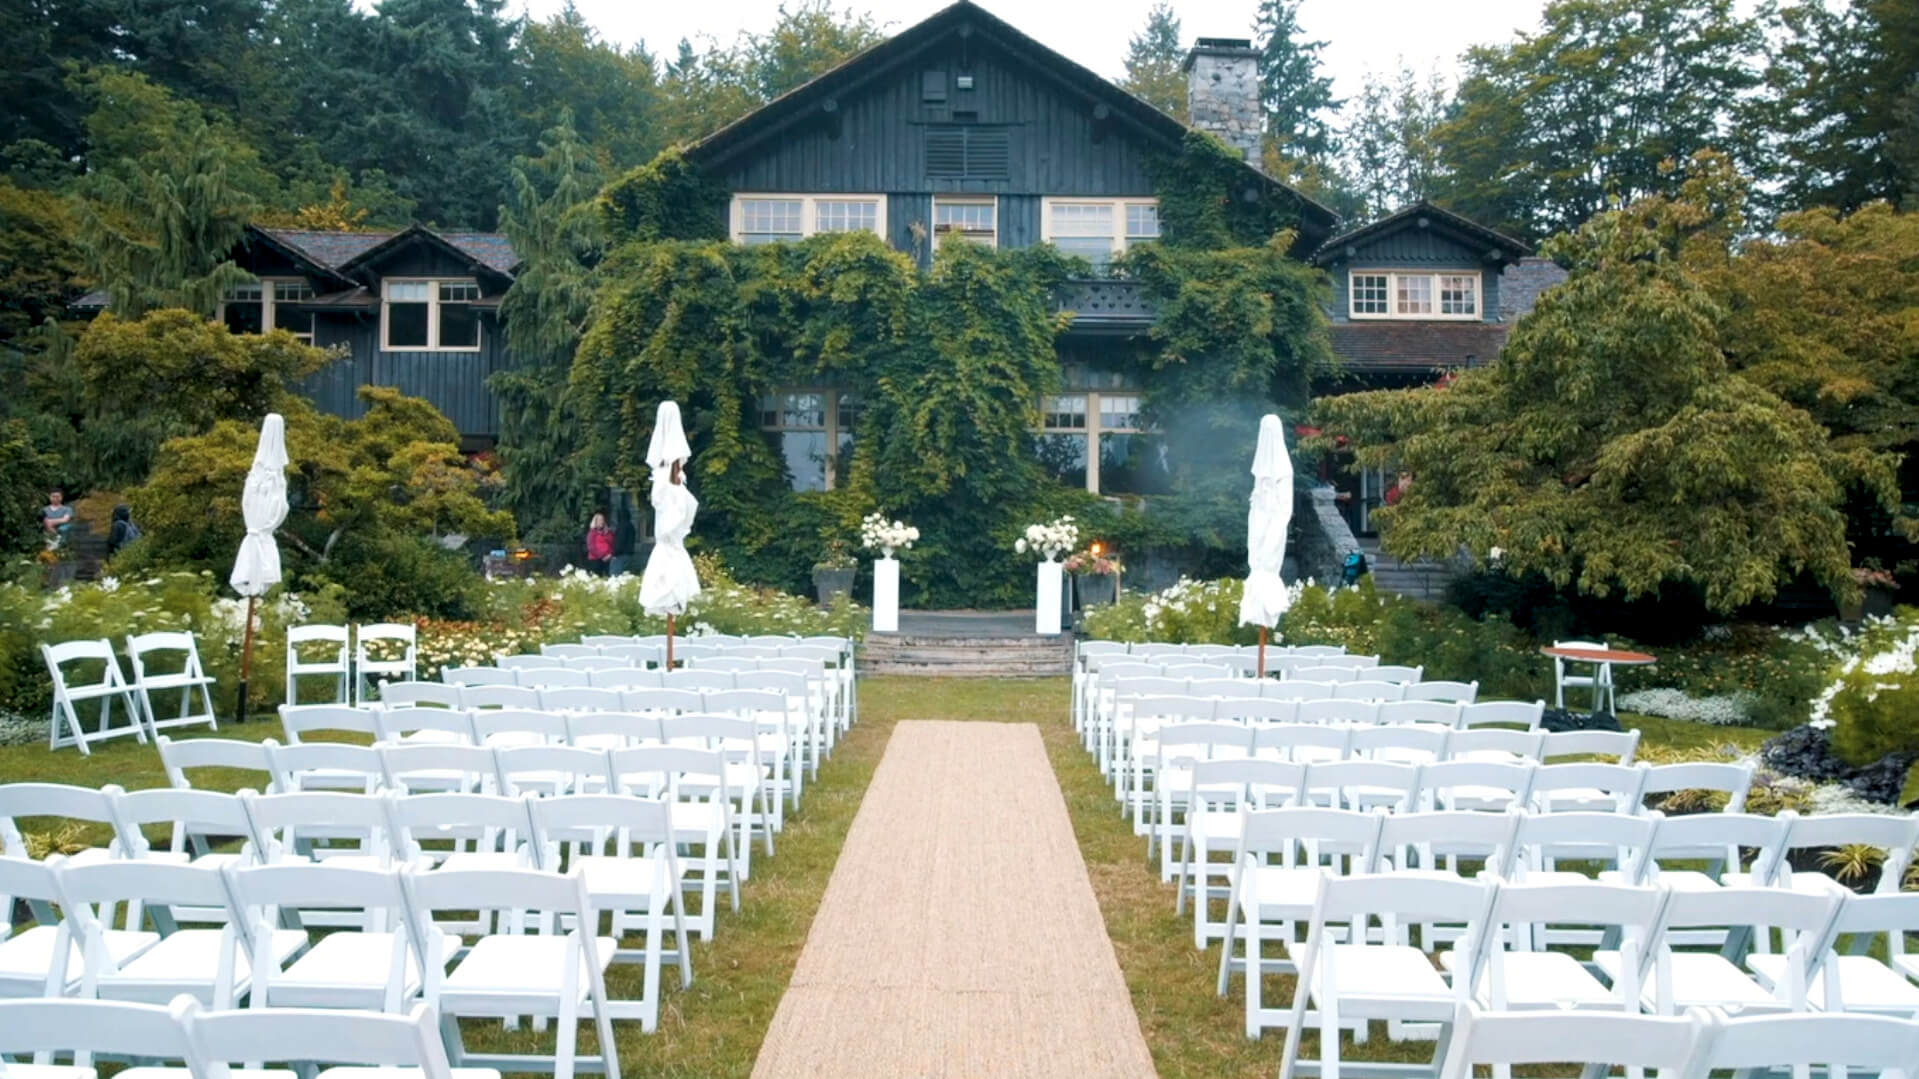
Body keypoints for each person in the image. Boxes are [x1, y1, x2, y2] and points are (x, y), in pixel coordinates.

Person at [585, 511, 615, 576]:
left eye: (603, 520)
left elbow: (613, 544)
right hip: (595, 559)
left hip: (608, 559)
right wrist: (602, 556)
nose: (602, 522)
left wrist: (610, 554)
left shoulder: (608, 532)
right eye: (600, 520)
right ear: (595, 522)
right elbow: (591, 547)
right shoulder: (592, 533)